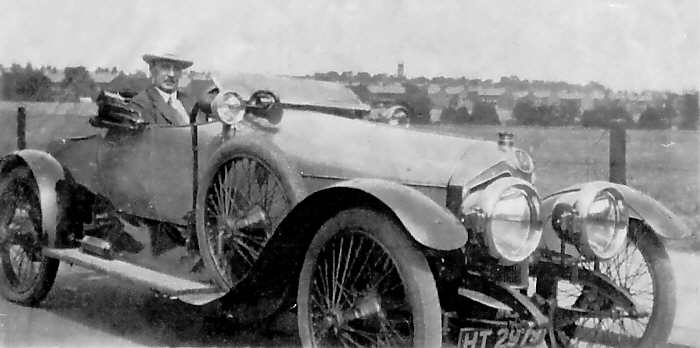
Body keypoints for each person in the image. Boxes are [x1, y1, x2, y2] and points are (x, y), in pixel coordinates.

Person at [131, 53, 195, 126]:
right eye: (165, 67)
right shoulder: (141, 104)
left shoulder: (190, 101)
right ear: (152, 70)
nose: (172, 74)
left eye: (176, 68)